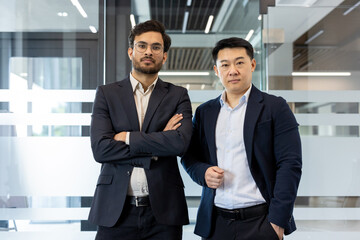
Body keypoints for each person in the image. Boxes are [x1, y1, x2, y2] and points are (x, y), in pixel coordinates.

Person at [181, 37, 302, 240]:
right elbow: (189, 156)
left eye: (239, 62)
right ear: (216, 70)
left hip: (261, 222)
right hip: (215, 223)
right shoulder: (205, 112)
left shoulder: (275, 107)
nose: (233, 70)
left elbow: (290, 164)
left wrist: (277, 222)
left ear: (252, 64)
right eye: (225, 65)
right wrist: (203, 173)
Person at [88, 20, 192, 240]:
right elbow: (101, 150)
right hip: (115, 211)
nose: (148, 52)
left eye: (156, 47)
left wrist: (126, 137)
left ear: (164, 56)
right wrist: (158, 144)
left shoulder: (177, 95)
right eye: (142, 46)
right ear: (130, 52)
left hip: (164, 213)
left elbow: (179, 143)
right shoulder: (107, 94)